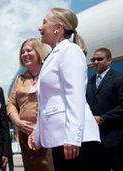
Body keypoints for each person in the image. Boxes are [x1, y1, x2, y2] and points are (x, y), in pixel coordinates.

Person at [28, 8, 100, 171]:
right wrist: (37, 132)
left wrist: (73, 137)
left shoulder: (70, 51)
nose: (40, 28)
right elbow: (47, 101)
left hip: (76, 141)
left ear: (58, 28)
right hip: (61, 139)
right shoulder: (53, 56)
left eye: (44, 22)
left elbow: (75, 95)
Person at [7, 38, 54, 171]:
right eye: (22, 52)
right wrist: (17, 122)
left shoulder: (50, 72)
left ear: (39, 51)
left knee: (49, 166)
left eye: (29, 50)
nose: (25, 54)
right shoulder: (20, 78)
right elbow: (11, 103)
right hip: (24, 133)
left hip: (47, 132)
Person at [86, 47, 123, 171]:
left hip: (115, 138)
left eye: (99, 59)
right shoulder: (89, 81)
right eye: (93, 59)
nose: (95, 62)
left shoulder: (119, 78)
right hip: (95, 139)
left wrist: (103, 118)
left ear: (109, 61)